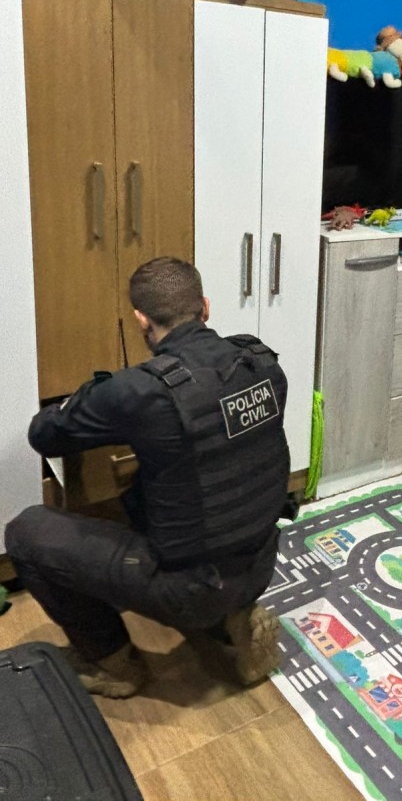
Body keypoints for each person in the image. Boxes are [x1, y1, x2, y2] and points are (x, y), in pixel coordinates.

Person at [5, 257, 290, 698]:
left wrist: (94, 397)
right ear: (205, 307)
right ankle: (236, 618)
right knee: (159, 484)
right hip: (261, 563)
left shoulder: (141, 390)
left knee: (25, 532)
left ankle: (113, 664)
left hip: (193, 588)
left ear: (141, 319)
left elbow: (44, 434)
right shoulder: (261, 362)